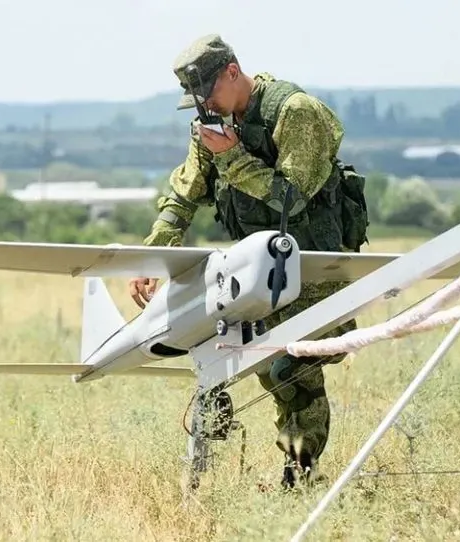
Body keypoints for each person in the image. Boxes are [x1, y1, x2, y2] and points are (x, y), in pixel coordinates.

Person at [128, 34, 370, 490]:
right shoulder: (212, 123)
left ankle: (299, 480)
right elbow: (184, 193)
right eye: (197, 100)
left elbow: (290, 201)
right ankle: (247, 464)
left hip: (316, 275)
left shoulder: (296, 113)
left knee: (289, 368)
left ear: (233, 72)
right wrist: (154, 254)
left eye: (210, 93)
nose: (206, 106)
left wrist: (232, 157)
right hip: (258, 277)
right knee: (225, 356)